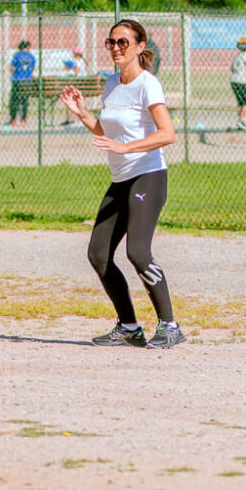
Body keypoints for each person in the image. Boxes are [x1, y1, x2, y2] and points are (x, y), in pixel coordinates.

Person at [58, 19, 184, 349]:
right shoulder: (112, 83)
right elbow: (108, 134)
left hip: (148, 175)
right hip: (121, 178)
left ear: (140, 47)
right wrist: (82, 113)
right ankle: (129, 327)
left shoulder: (148, 84)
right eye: (111, 42)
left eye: (123, 42)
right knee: (98, 254)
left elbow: (167, 134)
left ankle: (170, 326)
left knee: (138, 252)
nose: (116, 48)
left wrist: (126, 148)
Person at [7, 39, 36, 126]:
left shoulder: (17, 55)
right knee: (24, 100)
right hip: (27, 81)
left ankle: (13, 119)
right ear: (27, 47)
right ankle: (23, 119)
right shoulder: (31, 56)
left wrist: (16, 72)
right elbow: (32, 68)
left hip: (17, 80)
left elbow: (12, 68)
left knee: (14, 100)